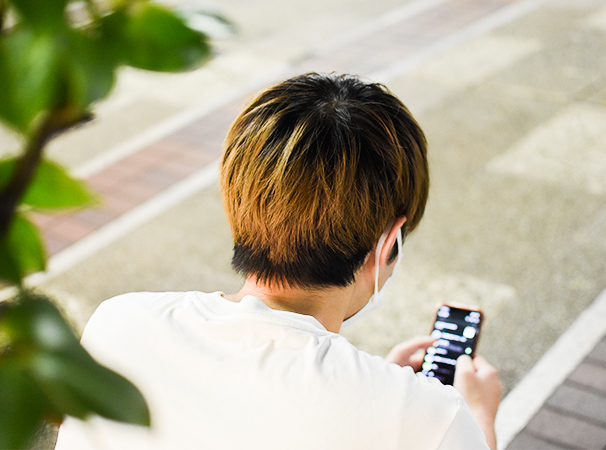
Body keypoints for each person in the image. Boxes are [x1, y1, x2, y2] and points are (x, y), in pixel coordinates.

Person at [55, 72, 501, 449]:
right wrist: (473, 420)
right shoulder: (429, 418)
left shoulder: (119, 322)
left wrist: (381, 392)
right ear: (388, 246)